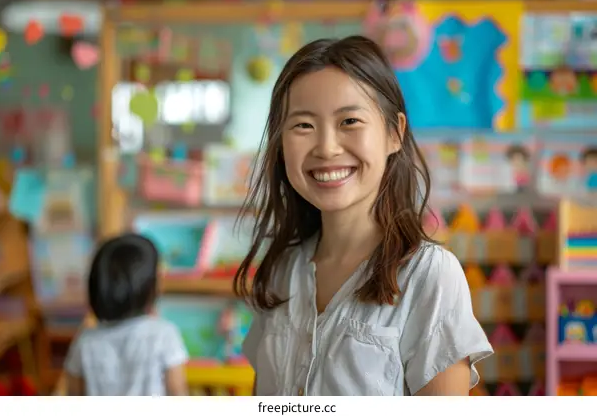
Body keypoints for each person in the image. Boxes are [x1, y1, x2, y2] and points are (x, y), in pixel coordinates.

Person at [233, 36, 493, 396]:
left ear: (393, 133)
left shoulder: (428, 275)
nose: (326, 147)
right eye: (303, 126)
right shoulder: (281, 271)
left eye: (350, 120)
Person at [64, 234, 188, 396]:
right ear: (150, 286)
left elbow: (73, 395)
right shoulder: (164, 335)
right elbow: (178, 394)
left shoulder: (85, 341)